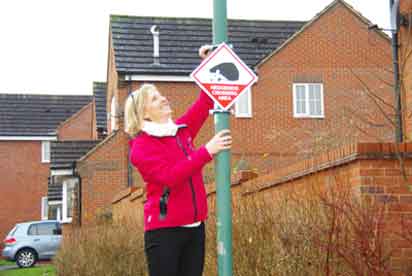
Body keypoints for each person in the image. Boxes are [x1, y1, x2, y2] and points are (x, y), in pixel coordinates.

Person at [124, 45, 232, 276]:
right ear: (143, 113)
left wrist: (208, 64)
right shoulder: (141, 148)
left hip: (195, 227)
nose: (164, 99)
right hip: (164, 232)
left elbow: (204, 103)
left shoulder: (181, 131)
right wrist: (207, 151)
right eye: (155, 99)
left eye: (160, 95)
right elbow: (170, 177)